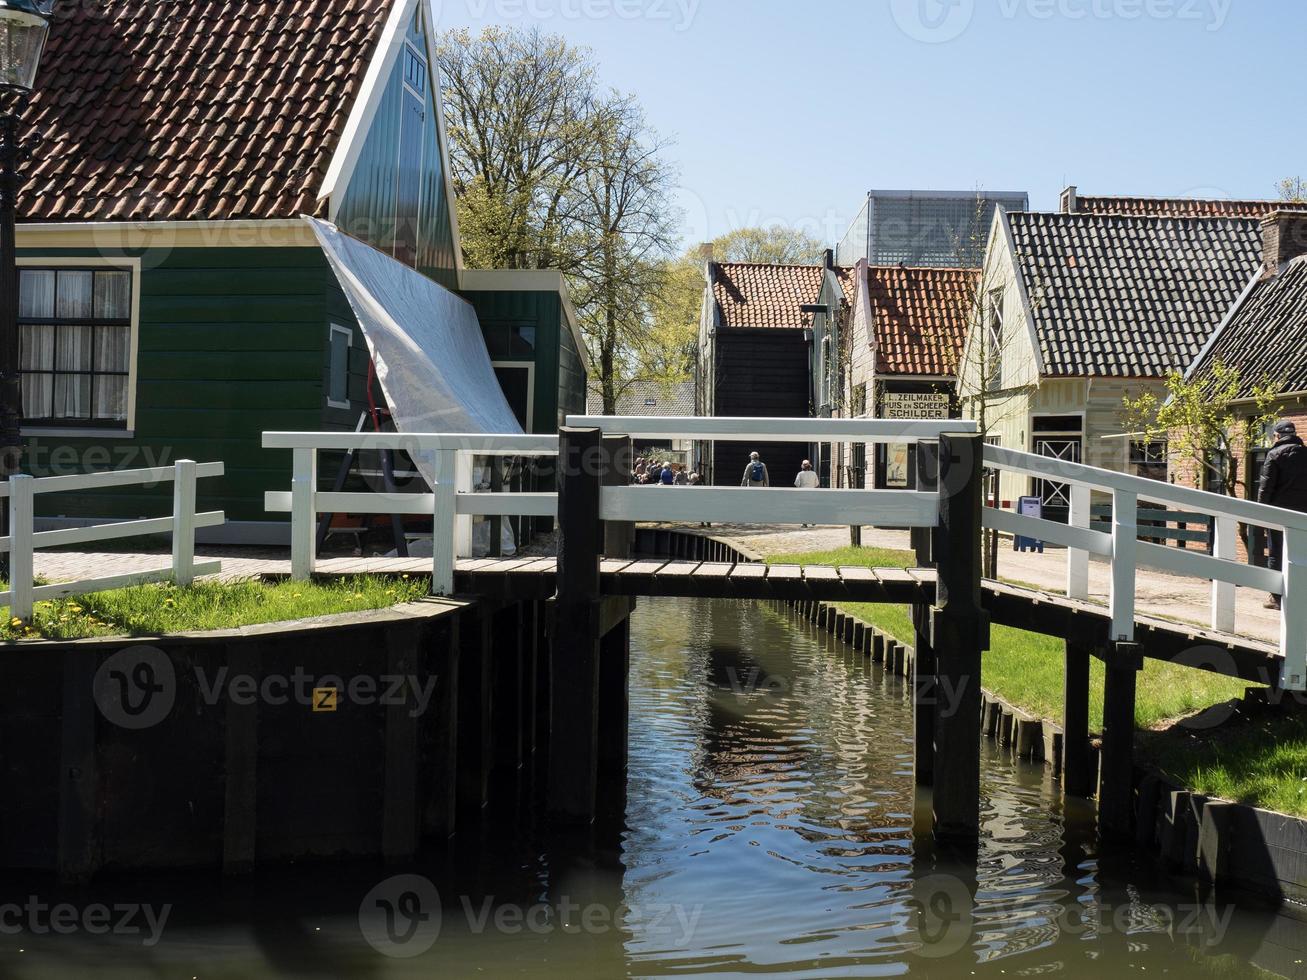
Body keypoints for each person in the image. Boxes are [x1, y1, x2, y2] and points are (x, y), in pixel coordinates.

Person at [1257, 419, 1307, 610]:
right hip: (1303, 515)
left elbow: (1265, 488)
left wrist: (1261, 513)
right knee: (1302, 553)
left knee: (1276, 553)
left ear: (1277, 436)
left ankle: (1276, 598)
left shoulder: (1274, 454)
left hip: (1279, 514)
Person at [794, 459, 820, 528]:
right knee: (812, 507)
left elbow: (796, 483)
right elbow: (817, 484)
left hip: (803, 494)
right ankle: (813, 521)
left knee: (803, 508)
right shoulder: (814, 473)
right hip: (812, 493)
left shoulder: (800, 474)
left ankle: (804, 523)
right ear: (810, 466)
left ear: (802, 466)